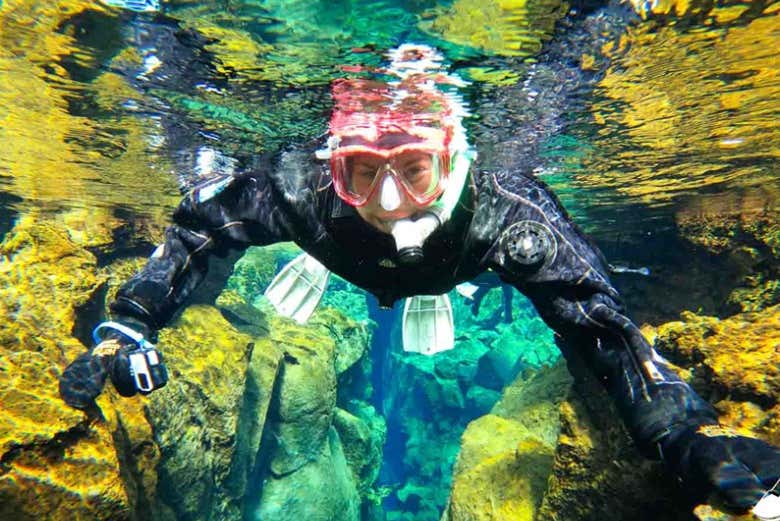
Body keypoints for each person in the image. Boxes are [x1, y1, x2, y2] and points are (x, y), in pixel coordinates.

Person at [59, 43, 780, 515]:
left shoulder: (507, 217)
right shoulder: (294, 190)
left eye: (414, 169)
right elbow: (198, 232)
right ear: (330, 164)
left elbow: (601, 325)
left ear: (454, 156)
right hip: (332, 254)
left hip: (459, 269)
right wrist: (131, 320)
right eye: (361, 171)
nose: (389, 202)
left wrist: (683, 436)